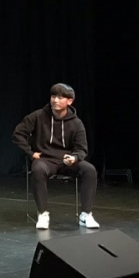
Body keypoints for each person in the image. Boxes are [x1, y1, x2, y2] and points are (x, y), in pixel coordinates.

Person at [12, 83, 100, 230]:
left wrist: (74, 158)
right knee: (38, 169)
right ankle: (43, 214)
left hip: (67, 160)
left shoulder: (76, 123)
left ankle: (86, 215)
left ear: (69, 101)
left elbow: (81, 148)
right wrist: (30, 152)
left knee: (89, 170)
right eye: (53, 96)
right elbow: (18, 134)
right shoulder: (38, 116)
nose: (55, 100)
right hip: (45, 159)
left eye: (60, 97)